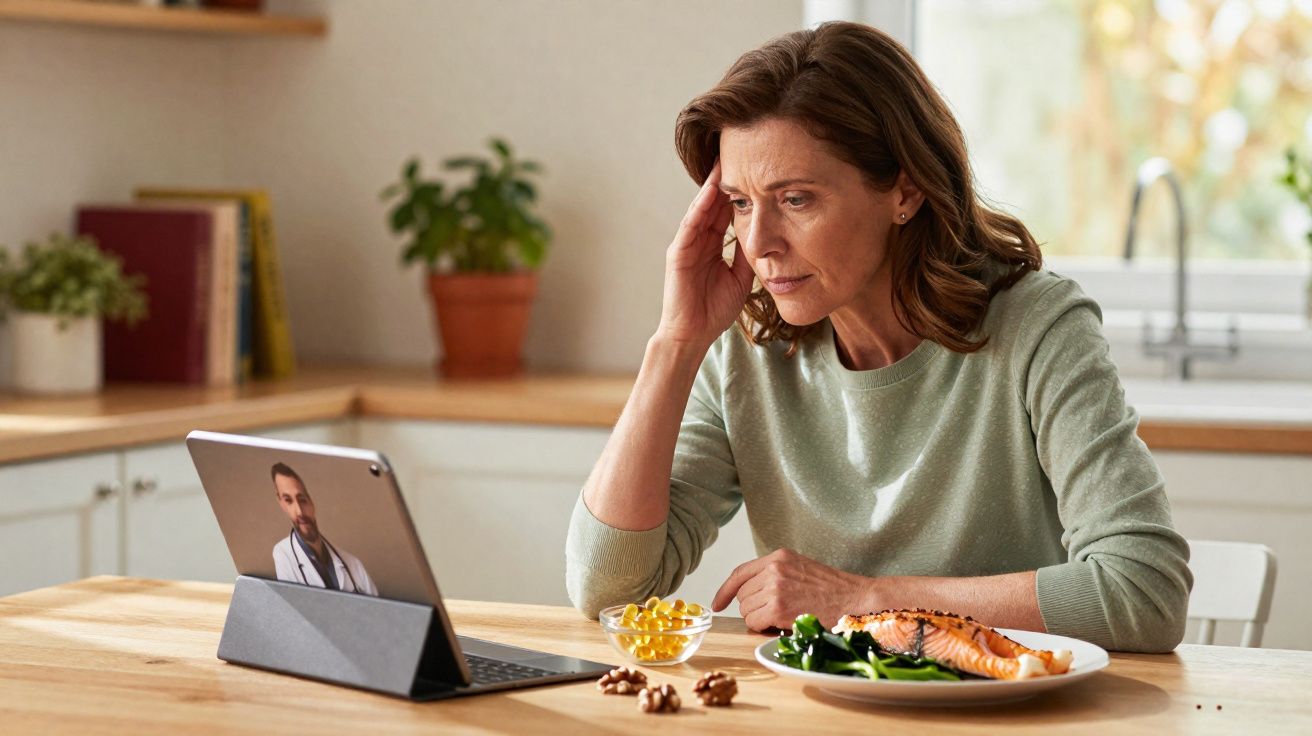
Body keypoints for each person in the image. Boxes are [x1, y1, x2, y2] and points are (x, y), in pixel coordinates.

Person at [565, 21, 1191, 653]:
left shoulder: (1036, 327)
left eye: (797, 200)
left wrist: (863, 599)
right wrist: (675, 341)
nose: (758, 245)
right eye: (742, 203)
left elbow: (1144, 592)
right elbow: (606, 589)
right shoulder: (743, 350)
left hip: (1008, 712)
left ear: (905, 190)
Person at [270, 462, 379, 596]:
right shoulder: (283, 554)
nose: (299, 511)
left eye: (302, 499)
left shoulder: (353, 565)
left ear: (313, 500)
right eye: (288, 500)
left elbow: (379, 614)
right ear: (281, 502)